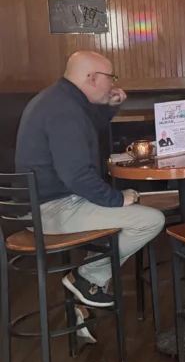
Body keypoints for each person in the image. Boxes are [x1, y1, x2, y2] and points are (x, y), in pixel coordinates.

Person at [15, 51, 165, 344]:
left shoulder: (59, 100)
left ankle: (83, 298)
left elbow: (81, 132)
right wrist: (116, 198)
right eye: (111, 79)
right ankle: (84, 278)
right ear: (92, 78)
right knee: (150, 220)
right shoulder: (64, 110)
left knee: (118, 224)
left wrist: (108, 107)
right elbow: (76, 176)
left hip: (43, 203)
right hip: (51, 208)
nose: (113, 85)